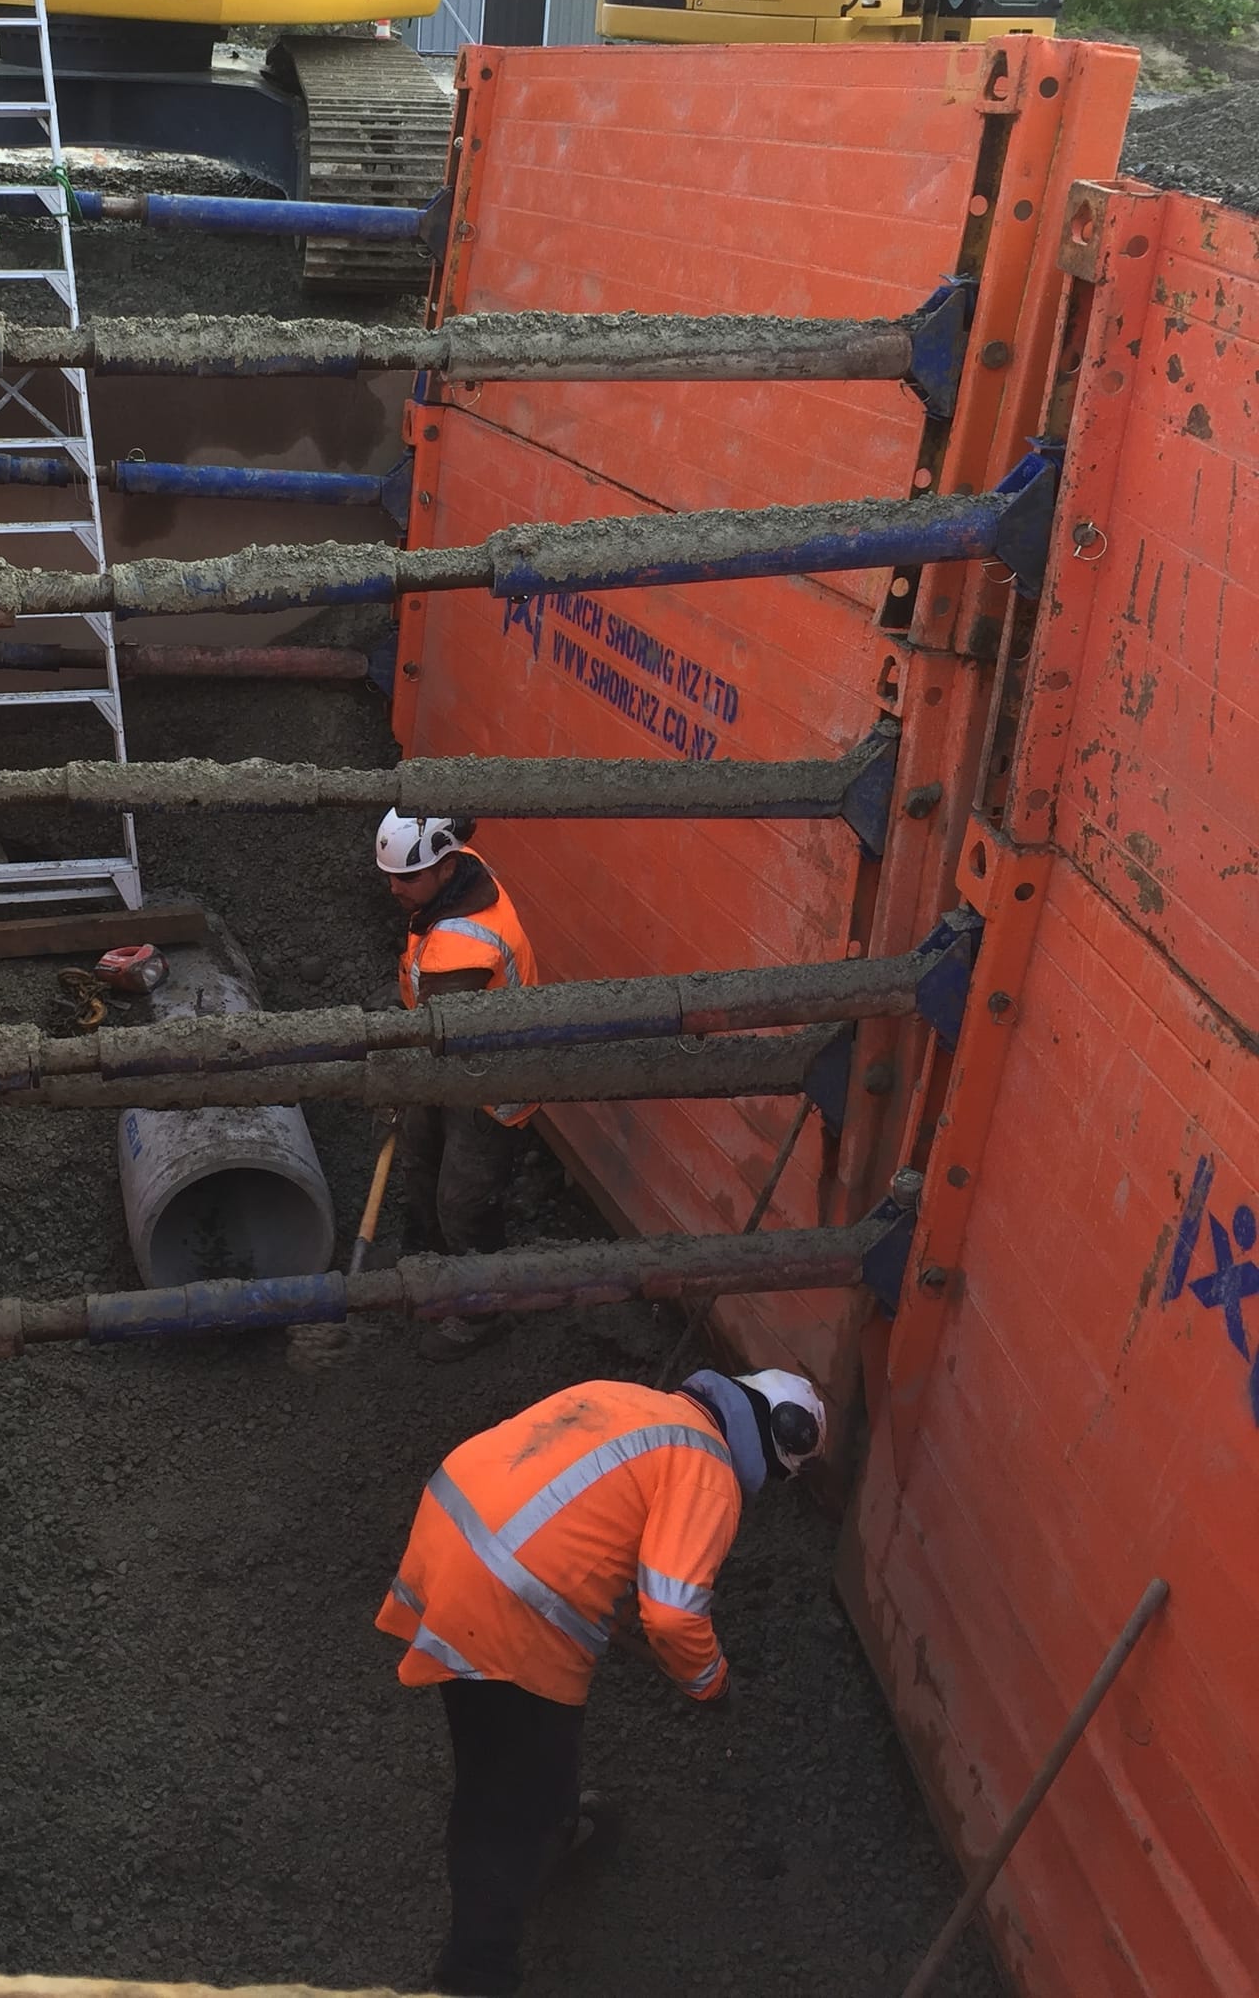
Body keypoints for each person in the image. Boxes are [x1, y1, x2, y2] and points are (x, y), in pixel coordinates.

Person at [376, 1366, 828, 1995]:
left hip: (452, 1539)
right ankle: (474, 1974)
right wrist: (712, 1683)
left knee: (513, 1746)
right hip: (510, 1603)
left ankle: (552, 1836)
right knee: (506, 1799)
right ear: (777, 1452)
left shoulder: (636, 1401)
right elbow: (671, 1613)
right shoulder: (710, 1471)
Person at [375, 811, 538, 1360]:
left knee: (464, 1200)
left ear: (444, 867)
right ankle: (429, 1261)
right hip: (449, 1057)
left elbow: (439, 1039)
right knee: (420, 1156)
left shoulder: (462, 951)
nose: (393, 889)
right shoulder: (456, 875)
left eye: (406, 878)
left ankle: (482, 1310)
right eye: (390, 876)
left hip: (489, 1081)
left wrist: (398, 1083)